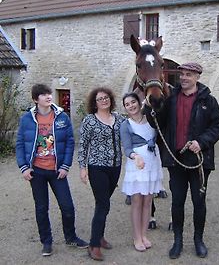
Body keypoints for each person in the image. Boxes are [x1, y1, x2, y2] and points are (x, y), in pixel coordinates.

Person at [145, 62, 219, 259]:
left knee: (199, 202)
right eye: (182, 75)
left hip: (199, 161)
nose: (184, 78)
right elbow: (158, 122)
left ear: (197, 76)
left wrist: (202, 141)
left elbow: (218, 127)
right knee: (177, 202)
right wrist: (150, 109)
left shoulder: (208, 101)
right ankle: (178, 241)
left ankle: (198, 240)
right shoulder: (170, 99)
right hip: (176, 160)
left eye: (189, 74)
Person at [16, 84, 88, 257]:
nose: (48, 96)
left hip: (57, 171)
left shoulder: (61, 117)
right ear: (35, 99)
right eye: (43, 95)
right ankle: (46, 242)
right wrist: (24, 167)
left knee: (67, 206)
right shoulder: (27, 119)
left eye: (49, 93)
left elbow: (70, 142)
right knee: (41, 208)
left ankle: (70, 237)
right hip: (36, 171)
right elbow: (19, 144)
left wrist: (65, 165)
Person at [78, 87, 125, 261]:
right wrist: (82, 168)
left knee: (104, 204)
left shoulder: (119, 119)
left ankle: (99, 236)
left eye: (106, 98)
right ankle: (94, 245)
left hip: (116, 167)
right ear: (94, 103)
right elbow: (83, 145)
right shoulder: (89, 120)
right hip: (97, 167)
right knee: (102, 204)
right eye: (100, 99)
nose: (104, 100)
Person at [120, 92, 163, 252]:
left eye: (133, 102)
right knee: (137, 201)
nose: (131, 106)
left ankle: (144, 235)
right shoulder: (126, 125)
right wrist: (135, 156)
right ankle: (136, 237)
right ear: (125, 108)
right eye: (127, 104)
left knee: (148, 202)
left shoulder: (151, 120)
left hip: (152, 162)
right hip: (137, 165)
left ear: (139, 103)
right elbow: (127, 147)